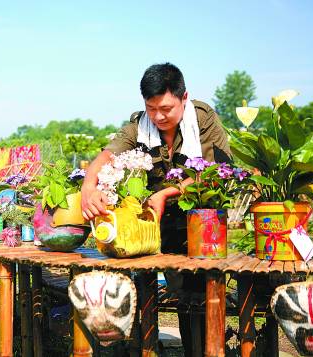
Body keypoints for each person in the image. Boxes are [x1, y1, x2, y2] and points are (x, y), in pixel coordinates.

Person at [80, 63, 231, 356]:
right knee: (147, 291)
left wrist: (167, 192)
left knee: (197, 298)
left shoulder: (204, 119)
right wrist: (89, 185)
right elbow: (108, 155)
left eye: (166, 108)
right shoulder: (139, 124)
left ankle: (200, 351)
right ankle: (144, 347)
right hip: (154, 223)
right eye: (152, 108)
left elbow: (216, 169)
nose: (159, 116)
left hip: (200, 220)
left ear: (183, 97)